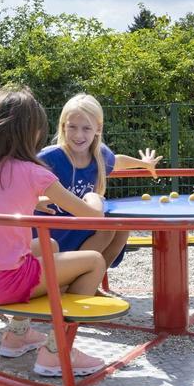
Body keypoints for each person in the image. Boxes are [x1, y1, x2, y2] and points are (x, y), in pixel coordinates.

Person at [0, 85, 107, 376]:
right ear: (31, 131)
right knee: (93, 260)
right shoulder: (34, 173)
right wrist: (95, 197)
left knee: (49, 247)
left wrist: (35, 200)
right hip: (3, 283)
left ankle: (16, 335)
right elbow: (92, 216)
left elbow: (2, 194)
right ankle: (58, 351)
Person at [36, 93, 162, 268]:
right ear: (63, 127)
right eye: (72, 127)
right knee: (106, 227)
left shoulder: (99, 155)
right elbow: (20, 181)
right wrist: (35, 201)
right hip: (51, 229)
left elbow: (118, 161)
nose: (78, 135)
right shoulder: (49, 157)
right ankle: (70, 280)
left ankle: (90, 279)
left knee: (120, 227)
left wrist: (144, 164)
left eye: (86, 128)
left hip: (80, 224)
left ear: (98, 129)